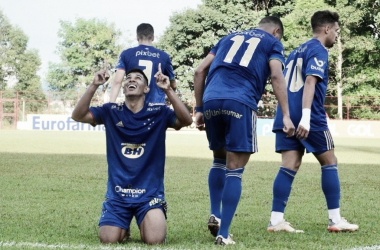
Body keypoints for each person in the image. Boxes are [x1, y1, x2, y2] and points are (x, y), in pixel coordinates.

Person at [194, 16, 295, 245]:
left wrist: (199, 108)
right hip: (240, 101)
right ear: (276, 30)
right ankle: (224, 233)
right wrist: (286, 115)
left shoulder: (226, 38)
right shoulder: (272, 43)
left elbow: (200, 71)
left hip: (211, 99)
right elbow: (277, 75)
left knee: (218, 158)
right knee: (235, 169)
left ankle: (215, 213)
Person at [71, 64, 192, 244]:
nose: (131, 80)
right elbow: (78, 115)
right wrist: (93, 85)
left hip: (149, 196)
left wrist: (168, 90)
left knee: (154, 240)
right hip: (119, 195)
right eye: (128, 78)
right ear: (124, 87)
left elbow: (186, 120)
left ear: (146, 89)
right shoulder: (110, 111)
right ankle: (123, 225)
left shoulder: (159, 112)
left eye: (137, 78)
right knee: (108, 240)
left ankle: (148, 218)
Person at [268, 10, 359, 233]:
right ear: (326, 28)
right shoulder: (318, 49)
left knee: (289, 165)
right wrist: (307, 118)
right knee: (330, 161)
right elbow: (310, 82)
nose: (336, 35)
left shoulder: (296, 50)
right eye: (336, 31)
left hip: (286, 115)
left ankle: (276, 220)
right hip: (309, 116)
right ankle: (335, 220)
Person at [109, 23, 177, 104]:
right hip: (157, 107)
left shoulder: (126, 54)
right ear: (153, 38)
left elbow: (117, 82)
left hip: (133, 107)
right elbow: (173, 83)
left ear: (137, 37)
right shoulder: (164, 56)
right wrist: (170, 95)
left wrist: (110, 105)